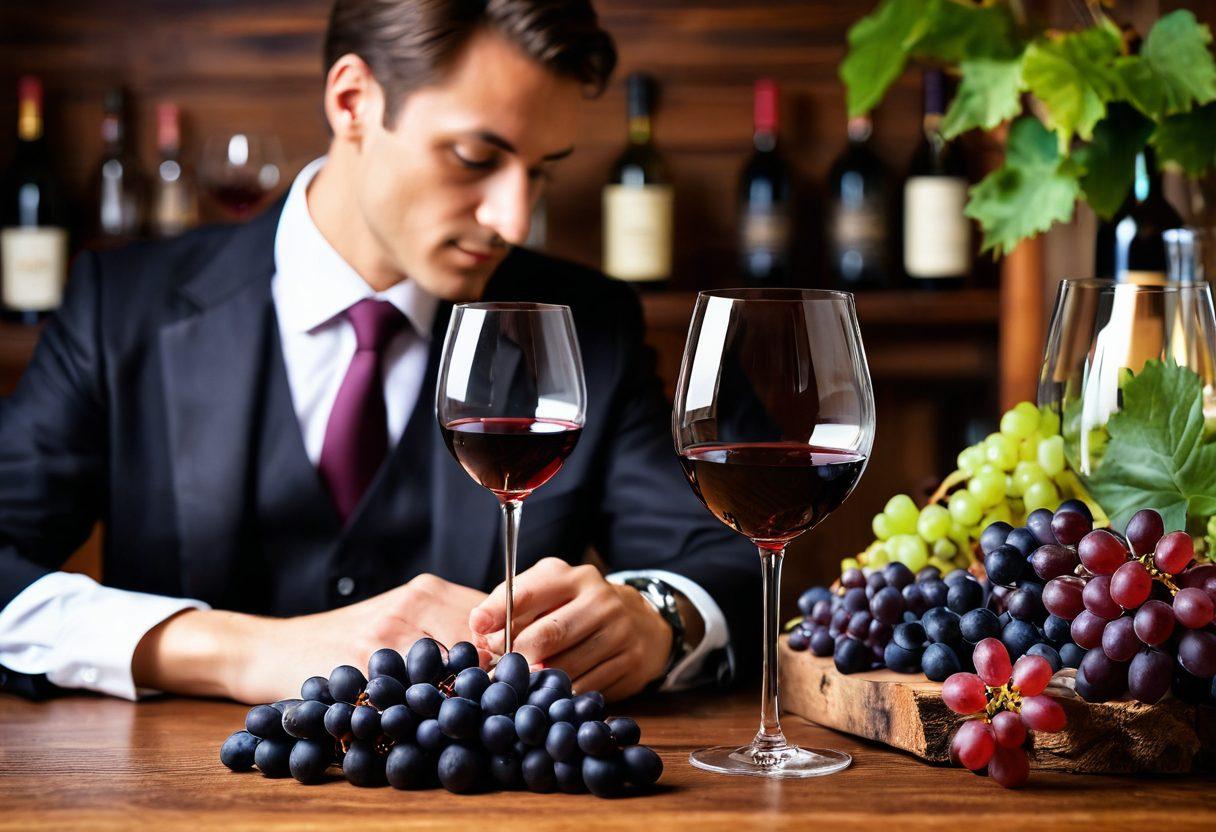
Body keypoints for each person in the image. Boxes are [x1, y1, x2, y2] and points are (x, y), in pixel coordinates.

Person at [0, 0, 758, 705]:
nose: (513, 218)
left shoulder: (590, 323)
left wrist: (655, 619)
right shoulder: (120, 305)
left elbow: (723, 563)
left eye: (541, 171)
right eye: (475, 156)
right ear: (352, 100)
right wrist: (237, 650)